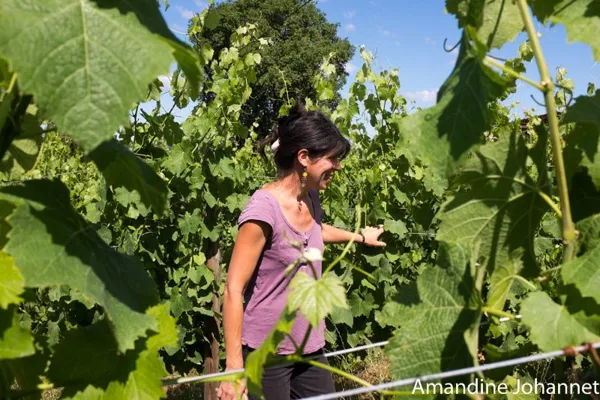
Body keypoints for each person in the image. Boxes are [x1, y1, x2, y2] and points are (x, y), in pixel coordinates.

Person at [217, 102, 385, 400]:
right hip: (267, 352)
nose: (338, 166)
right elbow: (233, 288)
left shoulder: (310, 198)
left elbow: (316, 230)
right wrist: (234, 368)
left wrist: (359, 237)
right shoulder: (263, 210)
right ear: (304, 158)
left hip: (309, 345)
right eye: (332, 158)